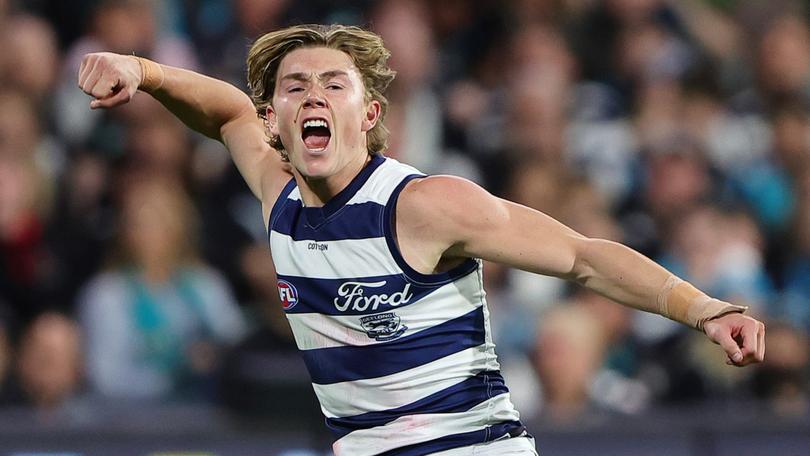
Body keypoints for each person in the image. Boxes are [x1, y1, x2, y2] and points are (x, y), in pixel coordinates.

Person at [77, 24, 765, 456]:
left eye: (332, 85)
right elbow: (226, 107)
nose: (312, 97)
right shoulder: (275, 192)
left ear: (369, 112)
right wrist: (145, 71)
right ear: (275, 120)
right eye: (295, 87)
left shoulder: (423, 205)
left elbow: (583, 256)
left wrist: (703, 307)